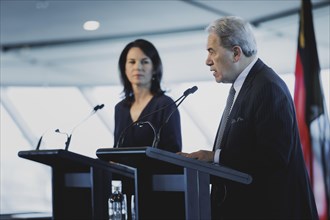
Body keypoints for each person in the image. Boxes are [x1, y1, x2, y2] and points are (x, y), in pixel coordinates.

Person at [178, 16, 318, 219]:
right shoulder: (247, 86)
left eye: (212, 51)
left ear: (236, 53)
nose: (207, 61)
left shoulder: (267, 87)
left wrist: (214, 157)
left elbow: (274, 157)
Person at [114, 39, 182, 153]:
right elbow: (116, 150)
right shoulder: (120, 108)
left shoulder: (165, 104)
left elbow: (173, 152)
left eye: (145, 62)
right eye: (132, 62)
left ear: (154, 68)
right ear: (124, 68)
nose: (138, 67)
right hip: (124, 171)